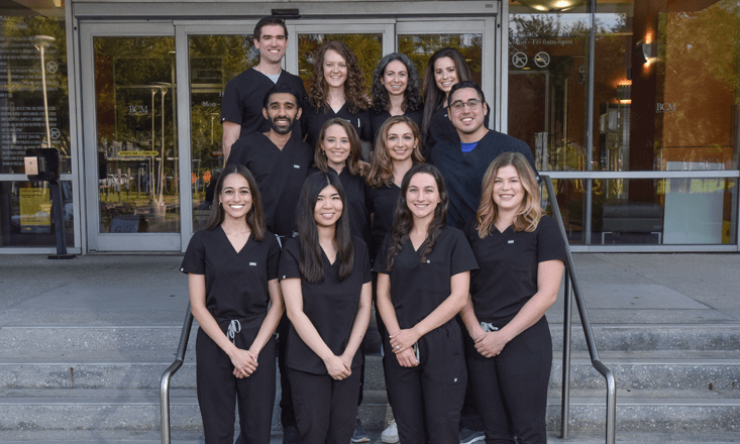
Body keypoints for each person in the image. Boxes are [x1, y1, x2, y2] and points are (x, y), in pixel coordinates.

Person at [225, 83, 311, 444]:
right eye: (274, 106)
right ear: (264, 112)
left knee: (292, 336)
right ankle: (249, 429)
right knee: (256, 329)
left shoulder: (307, 151)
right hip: (255, 250)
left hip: (296, 253)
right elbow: (229, 193)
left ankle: (291, 421)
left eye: (288, 106)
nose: (281, 112)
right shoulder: (245, 147)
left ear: (298, 113)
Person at [460, 152, 565, 444]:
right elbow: (462, 290)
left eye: (513, 181)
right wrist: (476, 333)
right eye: (498, 181)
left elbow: (548, 294)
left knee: (529, 429)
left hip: (524, 341)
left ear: (527, 185)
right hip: (480, 341)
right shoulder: (475, 228)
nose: (506, 188)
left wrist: (502, 336)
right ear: (489, 187)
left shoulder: (543, 228)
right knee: (494, 432)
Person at [374, 163, 478, 444]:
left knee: (443, 431)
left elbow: (459, 297)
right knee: (409, 432)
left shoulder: (454, 239)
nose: (421, 197)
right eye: (414, 190)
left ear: (440, 196)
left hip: (442, 343)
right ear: (405, 195)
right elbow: (382, 294)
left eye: (429, 190)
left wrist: (414, 334)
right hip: (400, 345)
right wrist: (399, 340)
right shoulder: (393, 240)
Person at [181, 164, 283, 444]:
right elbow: (197, 306)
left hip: (257, 341)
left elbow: (277, 304)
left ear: (253, 198)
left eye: (243, 192)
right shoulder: (201, 242)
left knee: (257, 432)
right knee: (218, 431)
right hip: (215, 341)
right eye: (229, 192)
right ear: (219, 198)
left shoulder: (269, 242)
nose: (236, 198)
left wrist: (251, 351)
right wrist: (232, 352)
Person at [279, 171, 373, 444]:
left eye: (334, 197)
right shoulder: (293, 249)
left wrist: (347, 356)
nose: (328, 205)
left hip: (348, 361)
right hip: (308, 364)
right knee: (313, 436)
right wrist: (329, 358)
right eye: (319, 199)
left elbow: (365, 306)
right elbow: (294, 312)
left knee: (342, 437)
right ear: (308, 204)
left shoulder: (359, 248)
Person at [429, 80, 537, 231]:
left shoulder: (513, 148)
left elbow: (531, 200)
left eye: (472, 103)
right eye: (458, 105)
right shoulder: (439, 153)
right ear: (450, 114)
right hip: (454, 244)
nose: (466, 110)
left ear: (484, 108)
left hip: (498, 241)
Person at [221, 16, 308, 160]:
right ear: (257, 43)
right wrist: (236, 178)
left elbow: (303, 131)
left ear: (286, 43)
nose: (274, 43)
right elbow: (230, 140)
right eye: (267, 37)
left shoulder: (296, 84)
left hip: (292, 174)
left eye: (279, 38)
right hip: (253, 175)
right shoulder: (237, 85)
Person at [309, 118, 371, 248]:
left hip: (358, 253)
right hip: (319, 252)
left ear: (352, 145)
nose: (338, 146)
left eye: (344, 140)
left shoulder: (365, 176)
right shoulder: (310, 176)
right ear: (322, 144)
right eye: (331, 140)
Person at [302, 41, 372, 150]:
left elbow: (374, 145)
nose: (335, 70)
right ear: (322, 68)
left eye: (342, 65)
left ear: (349, 69)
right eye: (329, 64)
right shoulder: (308, 105)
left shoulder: (361, 106)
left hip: (351, 167)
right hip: (316, 167)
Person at [420, 47, 475, 158]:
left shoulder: (474, 106)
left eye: (450, 70)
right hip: (431, 172)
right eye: (439, 72)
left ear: (460, 71)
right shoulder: (432, 107)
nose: (445, 77)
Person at [369, 53, 424, 144]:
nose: (396, 80)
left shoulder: (422, 112)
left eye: (402, 74)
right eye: (390, 74)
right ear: (382, 79)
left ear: (409, 79)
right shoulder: (371, 113)